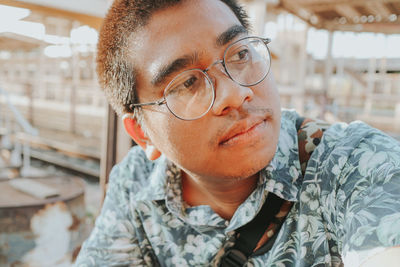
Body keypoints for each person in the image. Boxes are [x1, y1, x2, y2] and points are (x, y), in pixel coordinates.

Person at [75, 0, 400, 266]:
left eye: (241, 53)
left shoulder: (354, 164)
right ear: (142, 133)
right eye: (188, 83)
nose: (234, 93)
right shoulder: (136, 185)